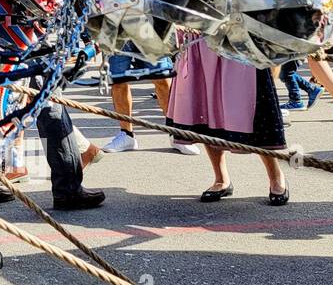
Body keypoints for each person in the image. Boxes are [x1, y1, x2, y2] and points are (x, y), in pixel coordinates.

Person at [167, 36, 289, 205]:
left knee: (252, 112)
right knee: (207, 110)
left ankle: (275, 177)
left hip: (236, 38)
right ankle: (221, 178)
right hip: (200, 40)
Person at [102, 48, 192, 153]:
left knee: (162, 78)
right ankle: (126, 134)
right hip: (118, 35)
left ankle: (176, 134)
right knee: (118, 80)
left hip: (149, 34)